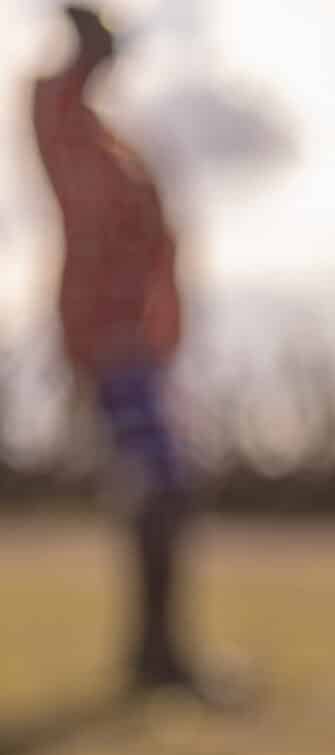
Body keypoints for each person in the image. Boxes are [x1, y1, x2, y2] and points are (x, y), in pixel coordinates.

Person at [30, 5, 224, 701]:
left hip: (141, 347)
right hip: (107, 344)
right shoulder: (63, 125)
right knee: (158, 490)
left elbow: (160, 240)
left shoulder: (117, 144)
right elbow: (58, 85)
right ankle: (157, 661)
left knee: (163, 492)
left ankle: (158, 656)